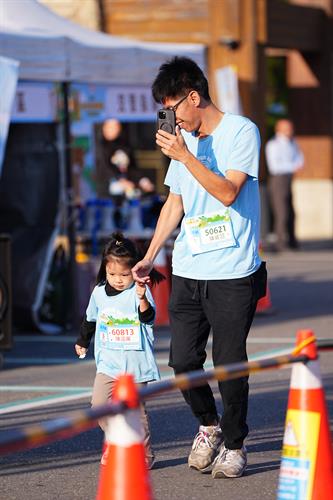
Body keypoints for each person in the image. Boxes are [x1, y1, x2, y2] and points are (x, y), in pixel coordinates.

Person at [132, 56, 267, 479]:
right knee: (183, 362)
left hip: (233, 270)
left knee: (229, 362)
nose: (170, 119)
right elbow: (176, 202)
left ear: (194, 97)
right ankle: (209, 426)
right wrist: (150, 254)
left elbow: (227, 193)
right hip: (189, 268)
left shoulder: (241, 131)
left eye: (173, 108)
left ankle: (236, 442)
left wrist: (187, 156)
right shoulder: (182, 143)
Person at [75, 231, 164, 469]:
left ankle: (144, 456)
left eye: (124, 274)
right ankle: (118, 443)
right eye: (111, 273)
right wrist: (83, 340)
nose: (118, 279)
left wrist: (142, 297)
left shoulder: (138, 291)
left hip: (136, 365)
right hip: (108, 365)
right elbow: (90, 319)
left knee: (135, 413)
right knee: (99, 407)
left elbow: (148, 317)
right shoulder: (99, 293)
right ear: (104, 270)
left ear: (134, 270)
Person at [265, 119, 304, 251]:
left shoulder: (292, 143)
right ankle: (280, 244)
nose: (290, 130)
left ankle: (292, 241)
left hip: (288, 179)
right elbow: (275, 167)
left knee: (291, 212)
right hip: (278, 179)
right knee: (281, 212)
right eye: (287, 128)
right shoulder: (273, 145)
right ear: (279, 129)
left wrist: (295, 166)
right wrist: (293, 166)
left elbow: (300, 158)